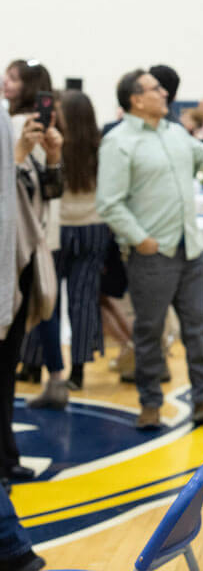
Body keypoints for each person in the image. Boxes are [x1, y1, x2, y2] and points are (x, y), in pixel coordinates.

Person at [96, 69, 203, 429]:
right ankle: (150, 404)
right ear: (136, 99)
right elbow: (109, 203)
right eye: (155, 89)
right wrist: (140, 240)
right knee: (149, 331)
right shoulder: (119, 142)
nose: (164, 93)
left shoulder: (176, 133)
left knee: (196, 328)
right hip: (151, 255)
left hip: (190, 250)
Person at [28, 91, 115, 402]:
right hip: (94, 228)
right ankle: (78, 371)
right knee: (83, 301)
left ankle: (38, 365)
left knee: (47, 300)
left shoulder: (53, 143)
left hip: (58, 230)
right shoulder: (101, 146)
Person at [3, 64, 61, 481]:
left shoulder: (18, 128)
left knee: (7, 366)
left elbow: (46, 192)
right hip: (8, 256)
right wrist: (19, 154)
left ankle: (6, 458)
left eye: (15, 77)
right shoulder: (10, 129)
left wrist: (52, 156)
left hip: (21, 259)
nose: (7, 82)